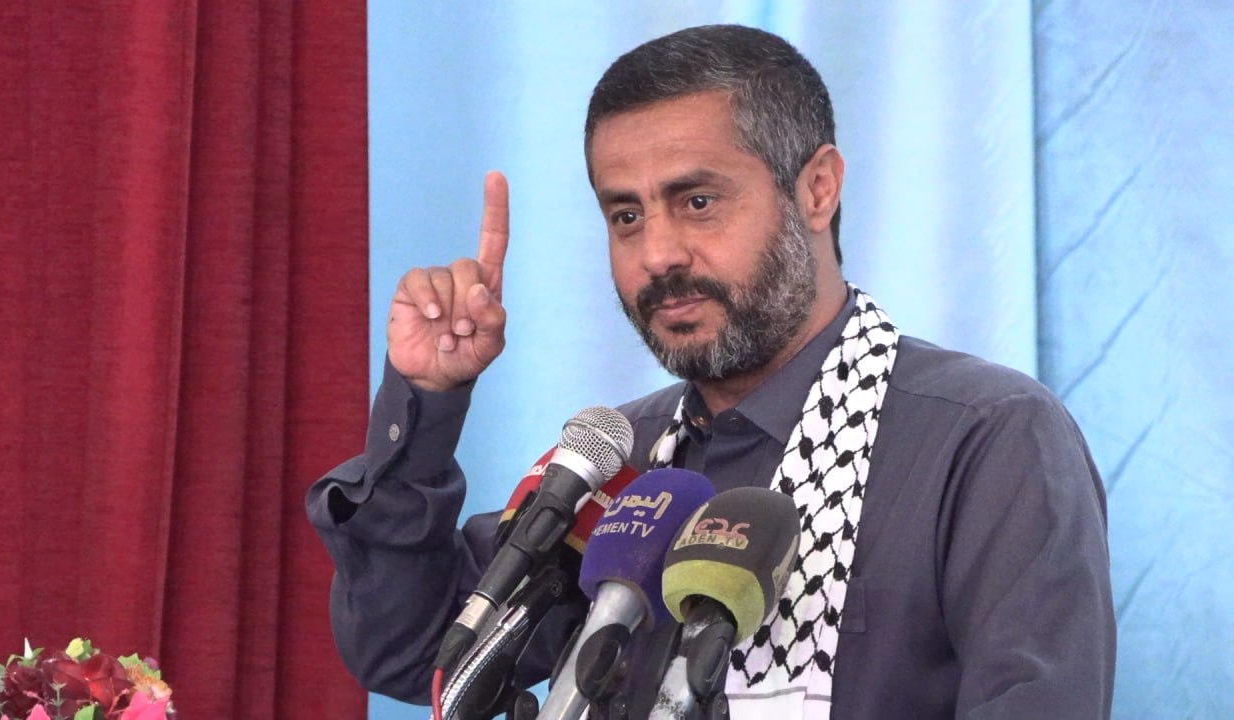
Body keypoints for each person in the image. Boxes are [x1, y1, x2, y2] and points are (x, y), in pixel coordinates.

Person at [306, 24, 1115, 719]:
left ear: (817, 190)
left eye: (697, 202)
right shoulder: (619, 462)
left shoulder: (984, 440)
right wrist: (427, 401)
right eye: (626, 214)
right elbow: (416, 653)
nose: (658, 254)